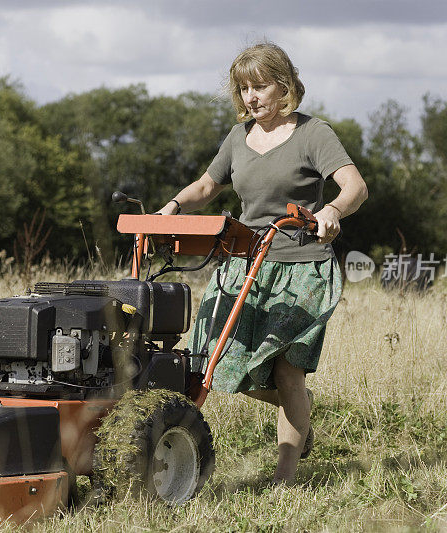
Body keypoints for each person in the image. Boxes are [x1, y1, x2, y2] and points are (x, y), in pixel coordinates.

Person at [156, 42, 368, 485]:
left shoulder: (315, 134)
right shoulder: (238, 138)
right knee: (214, 362)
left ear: (284, 86)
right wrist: (174, 206)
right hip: (244, 263)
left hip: (301, 266)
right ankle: (300, 409)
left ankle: (285, 474)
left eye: (260, 86)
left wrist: (332, 211)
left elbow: (355, 187)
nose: (251, 97)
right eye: (243, 89)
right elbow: (206, 185)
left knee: (288, 370)